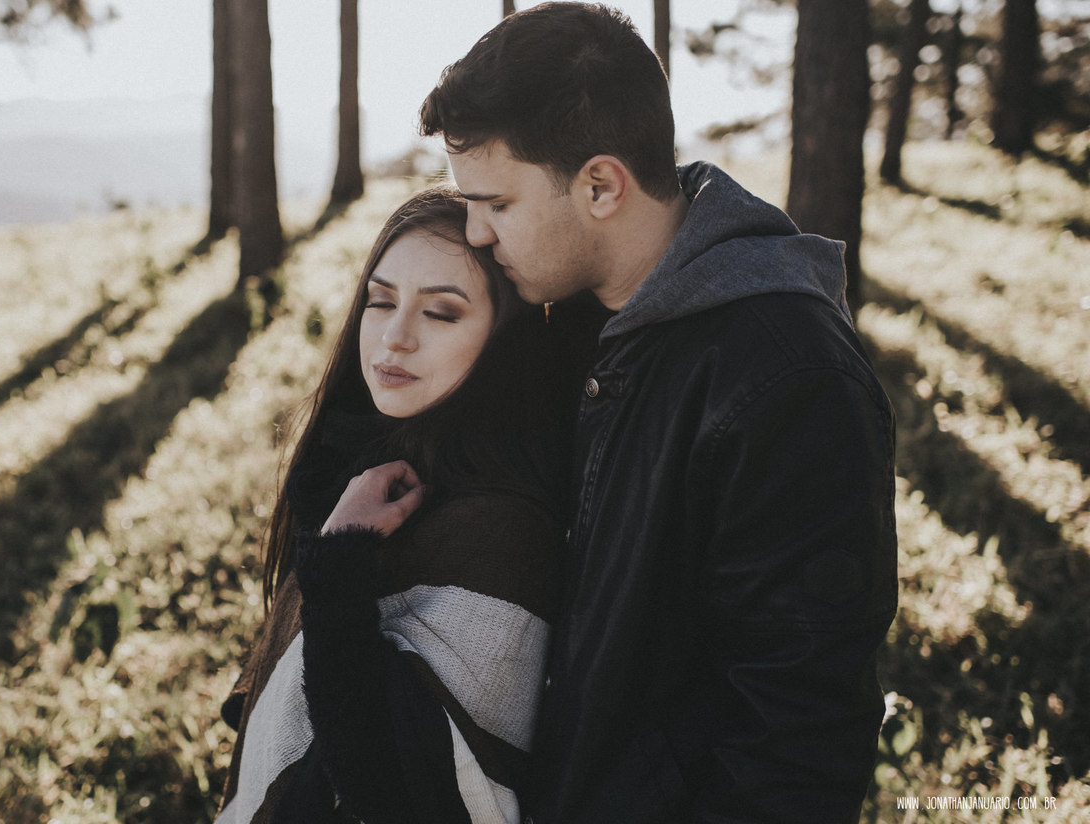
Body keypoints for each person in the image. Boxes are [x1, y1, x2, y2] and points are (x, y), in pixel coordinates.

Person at [418, 4, 900, 823]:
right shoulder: (568, 316)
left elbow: (797, 740)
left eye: (495, 203)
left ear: (601, 185)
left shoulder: (788, 380)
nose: (477, 233)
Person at [215, 187, 574, 824]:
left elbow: (398, 794)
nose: (395, 337)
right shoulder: (356, 466)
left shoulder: (501, 530)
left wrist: (339, 567)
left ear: (503, 341)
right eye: (381, 301)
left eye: (441, 313)